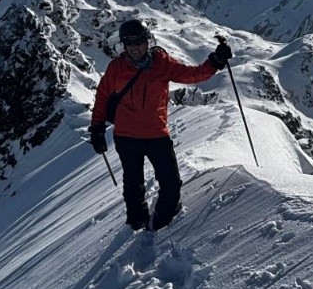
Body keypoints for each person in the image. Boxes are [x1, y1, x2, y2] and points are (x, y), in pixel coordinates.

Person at [89, 19, 232, 230]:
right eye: (129, 43)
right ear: (123, 45)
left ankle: (162, 220)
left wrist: (214, 62)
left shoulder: (162, 64)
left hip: (156, 134)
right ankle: (137, 222)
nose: (135, 47)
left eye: (139, 41)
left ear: (147, 42)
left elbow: (192, 74)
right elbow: (102, 96)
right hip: (126, 136)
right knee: (133, 185)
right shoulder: (116, 68)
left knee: (171, 182)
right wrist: (97, 128)